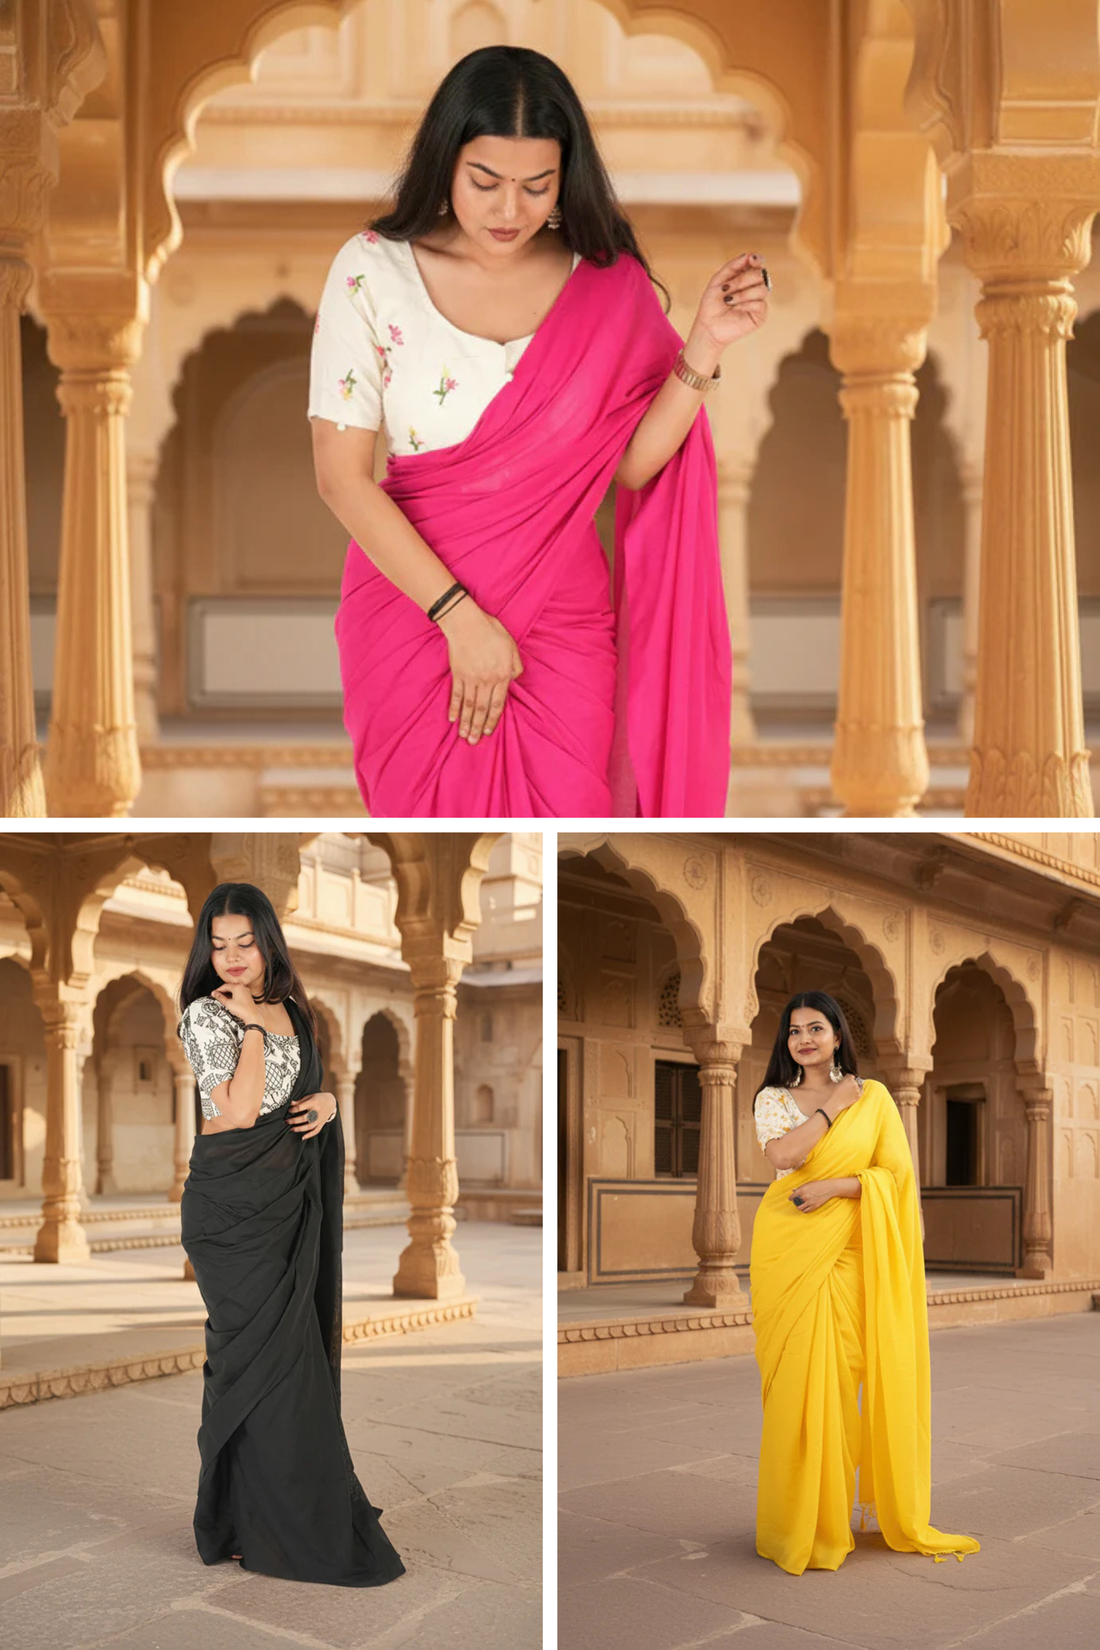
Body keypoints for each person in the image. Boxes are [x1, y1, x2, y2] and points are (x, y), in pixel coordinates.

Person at [309, 44, 769, 818]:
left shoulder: (604, 282)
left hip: (560, 623)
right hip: (411, 615)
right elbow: (341, 476)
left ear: (566, 179)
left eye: (536, 186)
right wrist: (459, 618)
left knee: (570, 834)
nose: (509, 210)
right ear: (445, 163)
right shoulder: (370, 272)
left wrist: (705, 347)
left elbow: (627, 468)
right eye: (485, 182)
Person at [177, 882, 405, 1588]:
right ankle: (249, 1520)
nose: (232, 957)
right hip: (229, 1214)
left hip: (284, 1204)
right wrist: (246, 1022)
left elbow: (305, 1086)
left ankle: (270, 1514)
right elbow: (242, 1110)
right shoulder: (206, 1015)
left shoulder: (292, 1010)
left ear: (269, 940)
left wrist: (332, 1100)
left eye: (245, 941)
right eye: (218, 944)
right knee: (256, 1371)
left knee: (293, 1371)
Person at [749, 991, 980, 1575]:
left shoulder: (874, 1097)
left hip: (851, 1251)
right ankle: (800, 1519)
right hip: (789, 1248)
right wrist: (831, 1109)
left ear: (836, 1036)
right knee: (797, 1388)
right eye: (795, 1030)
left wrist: (836, 1187)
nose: (804, 1038)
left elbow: (895, 1178)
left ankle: (841, 1509)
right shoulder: (774, 1097)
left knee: (844, 1381)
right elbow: (782, 1157)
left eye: (816, 1028)